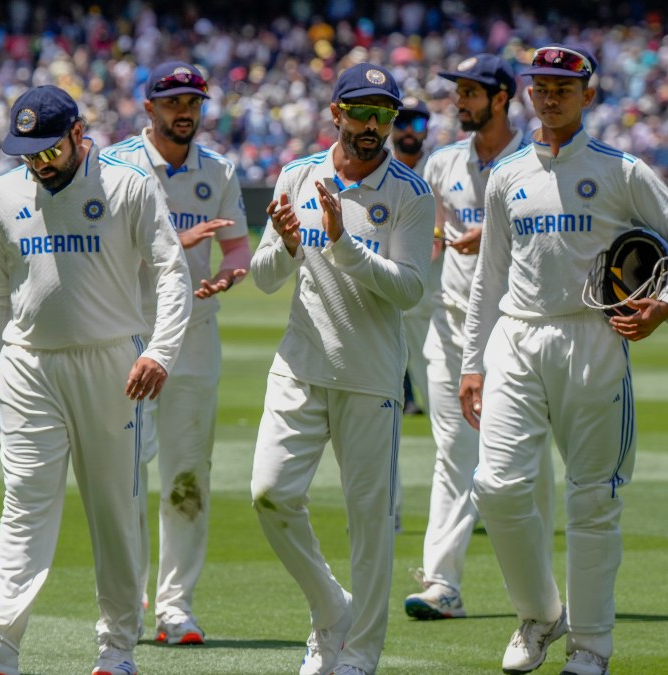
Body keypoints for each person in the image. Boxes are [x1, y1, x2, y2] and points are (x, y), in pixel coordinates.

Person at [457, 45, 668, 675]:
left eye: (564, 88)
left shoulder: (621, 169)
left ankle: (591, 647)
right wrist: (471, 363)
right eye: (541, 87)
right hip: (516, 337)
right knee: (496, 487)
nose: (551, 97)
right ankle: (540, 612)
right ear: (527, 94)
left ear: (588, 96)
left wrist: (665, 305)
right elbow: (487, 279)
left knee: (593, 499)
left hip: (595, 340)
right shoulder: (506, 174)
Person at [0, 85, 191, 675]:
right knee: (23, 500)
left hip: (111, 366)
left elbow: (171, 272)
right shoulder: (3, 194)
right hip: (28, 366)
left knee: (113, 507)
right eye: (28, 153)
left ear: (79, 133)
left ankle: (116, 648)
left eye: (50, 149)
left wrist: (161, 350)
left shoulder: (127, 184)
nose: (39, 163)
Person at [250, 63, 433, 675]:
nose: (374, 126)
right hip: (300, 367)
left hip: (371, 378)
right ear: (337, 113)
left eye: (385, 115)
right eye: (362, 112)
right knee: (270, 494)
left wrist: (342, 244)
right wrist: (287, 243)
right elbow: (265, 277)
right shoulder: (298, 175)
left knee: (370, 526)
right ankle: (332, 608)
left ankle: (359, 656)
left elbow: (409, 290)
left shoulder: (409, 192)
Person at [403, 54, 553, 622]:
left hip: (519, 331)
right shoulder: (442, 164)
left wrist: (493, 236)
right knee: (452, 453)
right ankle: (442, 584)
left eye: (471, 91)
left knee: (528, 464)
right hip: (450, 328)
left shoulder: (538, 161)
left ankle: (541, 594)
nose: (460, 101)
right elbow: (431, 230)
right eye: (458, 91)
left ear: (501, 98)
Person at [104, 60, 250, 645]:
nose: (184, 112)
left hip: (195, 334)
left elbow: (237, 246)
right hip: (128, 332)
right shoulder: (114, 166)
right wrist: (169, 244)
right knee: (125, 473)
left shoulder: (218, 169)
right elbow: (98, 253)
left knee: (187, 474)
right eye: (172, 103)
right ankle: (128, 598)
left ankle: (176, 606)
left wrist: (230, 276)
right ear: (149, 109)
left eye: (193, 102)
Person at [393, 97, 434, 422]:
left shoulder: (437, 171)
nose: (409, 130)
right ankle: (404, 400)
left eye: (417, 123)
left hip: (432, 292)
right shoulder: (377, 170)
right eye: (402, 122)